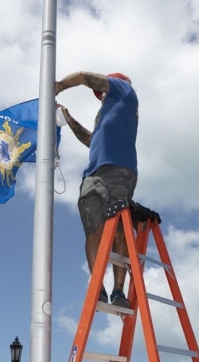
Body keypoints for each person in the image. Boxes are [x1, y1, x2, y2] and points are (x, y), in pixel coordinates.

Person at [56, 71, 139, 308]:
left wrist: (58, 86)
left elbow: (83, 76)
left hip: (118, 170)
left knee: (119, 231)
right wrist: (68, 118)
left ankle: (119, 291)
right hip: (94, 174)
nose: (101, 95)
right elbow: (91, 140)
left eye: (103, 90)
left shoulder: (125, 91)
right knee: (95, 230)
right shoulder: (104, 115)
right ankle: (98, 288)